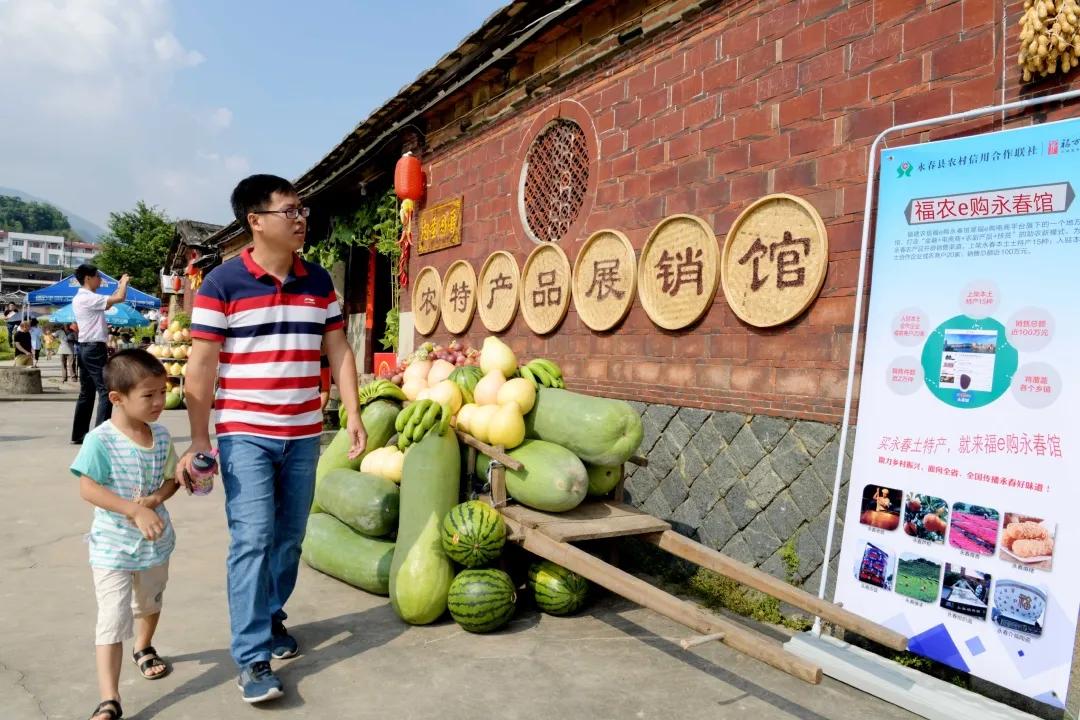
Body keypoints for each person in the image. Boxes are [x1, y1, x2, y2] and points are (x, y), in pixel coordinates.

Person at [179, 174, 365, 705]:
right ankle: (252, 658)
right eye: (290, 211)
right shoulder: (222, 283)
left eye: (302, 210)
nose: (301, 218)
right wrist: (198, 438)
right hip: (244, 433)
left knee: (289, 539)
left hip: (304, 432)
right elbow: (202, 363)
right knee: (253, 539)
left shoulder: (319, 280)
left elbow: (338, 350)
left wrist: (353, 413)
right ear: (256, 221)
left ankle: (269, 614)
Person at [70, 349, 180, 720]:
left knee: (149, 603)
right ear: (117, 398)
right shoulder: (100, 440)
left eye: (162, 392)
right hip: (112, 549)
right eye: (149, 395)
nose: (160, 402)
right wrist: (134, 509)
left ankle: (143, 646)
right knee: (112, 618)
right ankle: (110, 699)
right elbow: (88, 489)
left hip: (154, 544)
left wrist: (156, 498)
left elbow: (171, 480)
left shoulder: (161, 436)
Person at [72, 264, 130, 444]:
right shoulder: (88, 297)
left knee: (86, 392)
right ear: (88, 278)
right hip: (94, 348)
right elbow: (120, 298)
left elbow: (111, 301)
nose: (100, 280)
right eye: (97, 276)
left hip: (84, 348)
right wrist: (124, 283)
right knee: (106, 390)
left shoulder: (82, 298)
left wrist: (120, 286)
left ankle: (79, 434)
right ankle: (101, 436)